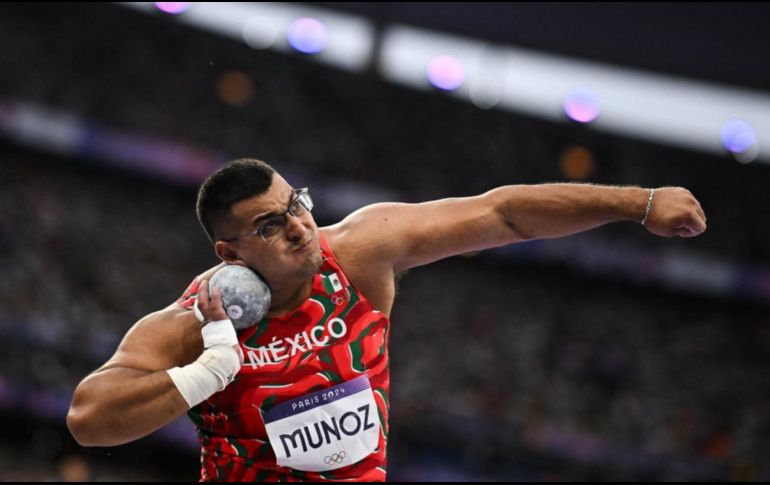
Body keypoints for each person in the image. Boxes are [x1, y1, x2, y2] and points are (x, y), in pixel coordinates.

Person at [66, 158, 707, 481]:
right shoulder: (194, 323)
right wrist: (206, 373)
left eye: (297, 205)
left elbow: (503, 213)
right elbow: (89, 420)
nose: (298, 227)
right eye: (270, 224)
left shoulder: (360, 254)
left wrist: (640, 202)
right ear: (230, 253)